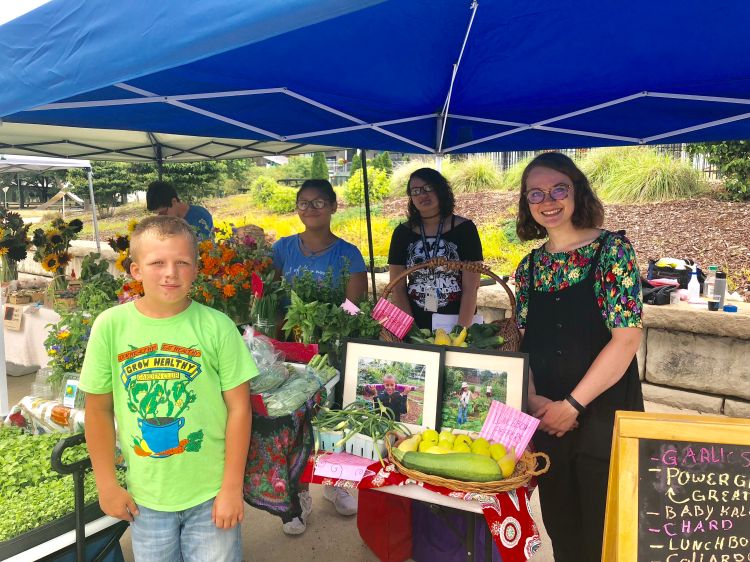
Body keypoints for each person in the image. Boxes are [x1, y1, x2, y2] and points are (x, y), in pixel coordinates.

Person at [80, 215, 256, 562]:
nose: (170, 273)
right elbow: (98, 409)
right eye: (157, 262)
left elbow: (240, 408)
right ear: (135, 270)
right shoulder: (110, 327)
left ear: (195, 269)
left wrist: (232, 488)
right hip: (147, 497)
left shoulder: (217, 327)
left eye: (182, 263)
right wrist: (107, 485)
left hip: (210, 492)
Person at [514, 152, 643, 562]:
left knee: (607, 523)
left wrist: (572, 405)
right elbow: (523, 341)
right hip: (547, 415)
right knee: (561, 518)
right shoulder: (528, 267)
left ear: (577, 192)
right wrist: (534, 401)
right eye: (536, 193)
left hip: (604, 410)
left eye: (558, 189)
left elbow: (625, 340)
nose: (547, 200)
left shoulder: (612, 252)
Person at [271, 179, 365, 534]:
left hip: (332, 351)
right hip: (291, 355)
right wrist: (276, 344)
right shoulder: (282, 249)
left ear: (333, 207)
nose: (311, 209)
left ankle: (337, 483)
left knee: (335, 419)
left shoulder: (348, 254)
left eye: (319, 202)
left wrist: (323, 329)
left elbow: (353, 307)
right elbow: (272, 298)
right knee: (295, 424)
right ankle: (299, 495)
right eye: (304, 203)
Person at [388, 168, 482, 331]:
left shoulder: (465, 229)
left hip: (456, 321)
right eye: (415, 191)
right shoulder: (402, 233)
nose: (422, 195)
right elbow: (398, 287)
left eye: (428, 188)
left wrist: (459, 333)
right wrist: (411, 332)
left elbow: (471, 288)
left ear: (440, 189)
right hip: (415, 322)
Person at [146, 180, 214, 241]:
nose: (160, 217)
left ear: (174, 201)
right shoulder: (162, 223)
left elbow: (208, 247)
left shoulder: (201, 216)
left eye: (163, 212)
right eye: (157, 214)